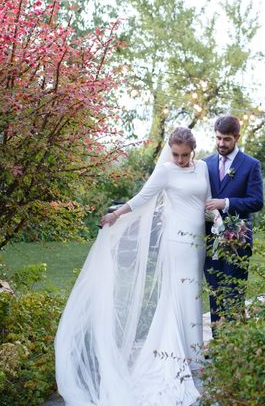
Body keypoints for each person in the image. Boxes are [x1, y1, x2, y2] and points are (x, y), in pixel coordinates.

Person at [55, 127, 217, 406]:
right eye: (176, 154)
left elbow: (206, 200)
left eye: (184, 155)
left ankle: (192, 353)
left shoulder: (202, 168)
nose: (179, 159)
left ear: (193, 151)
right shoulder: (166, 171)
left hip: (197, 242)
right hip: (176, 241)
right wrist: (116, 214)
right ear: (170, 150)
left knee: (193, 294)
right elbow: (143, 197)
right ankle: (185, 356)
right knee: (181, 292)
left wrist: (216, 216)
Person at [204, 115, 264, 327]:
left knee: (234, 296)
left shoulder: (250, 165)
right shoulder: (205, 164)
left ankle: (237, 349)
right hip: (210, 242)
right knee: (215, 294)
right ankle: (219, 347)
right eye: (218, 138)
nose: (221, 143)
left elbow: (257, 201)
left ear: (237, 137)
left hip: (238, 241)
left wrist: (225, 203)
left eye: (226, 139)